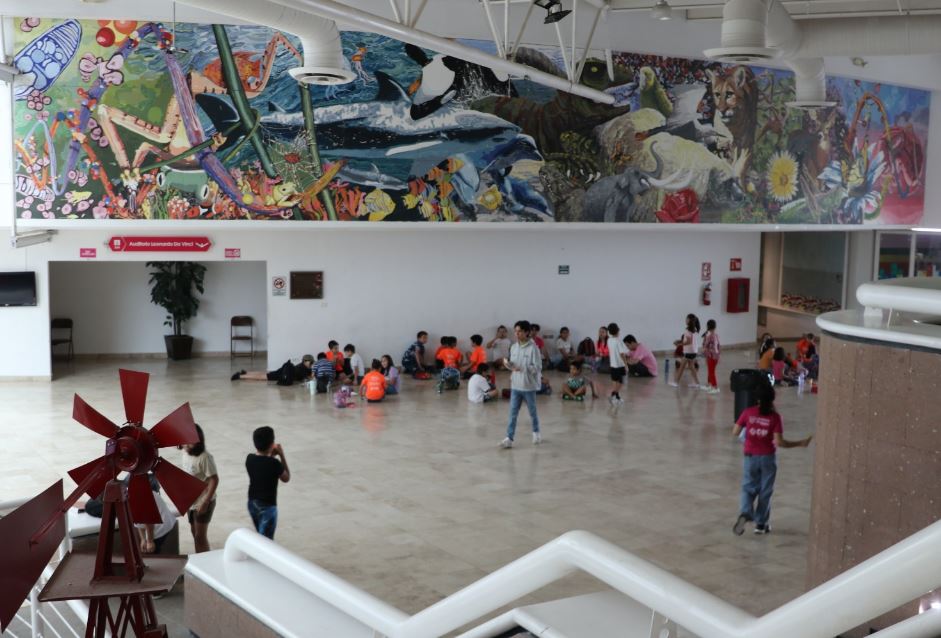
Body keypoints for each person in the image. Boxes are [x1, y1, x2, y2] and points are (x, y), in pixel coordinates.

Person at [732, 384, 812, 535]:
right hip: (768, 458)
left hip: (750, 457)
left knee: (748, 487)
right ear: (772, 399)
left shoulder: (748, 412)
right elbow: (780, 442)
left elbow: (735, 432)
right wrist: (799, 443)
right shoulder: (775, 417)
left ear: (757, 398)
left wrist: (750, 431)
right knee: (765, 490)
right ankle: (761, 524)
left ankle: (745, 512)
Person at [500, 320, 542, 449]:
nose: (517, 334)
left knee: (532, 412)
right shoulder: (514, 347)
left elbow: (538, 367)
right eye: (515, 331)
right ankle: (509, 438)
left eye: (520, 331)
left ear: (527, 332)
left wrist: (524, 368)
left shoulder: (533, 348)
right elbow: (513, 364)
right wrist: (509, 365)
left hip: (528, 386)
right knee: (512, 413)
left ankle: (536, 432)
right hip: (515, 385)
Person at [246, 426, 291, 540]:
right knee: (266, 541)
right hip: (267, 507)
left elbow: (263, 465)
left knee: (261, 534)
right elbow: (286, 477)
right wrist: (281, 455)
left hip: (252, 503)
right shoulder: (274, 464)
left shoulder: (249, 459)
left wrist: (270, 455)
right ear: (271, 444)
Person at [181, 424, 218, 553]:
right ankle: (199, 557)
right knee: (194, 533)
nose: (186, 445)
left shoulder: (204, 457)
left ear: (198, 441)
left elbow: (214, 479)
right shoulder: (185, 452)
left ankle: (205, 560)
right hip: (191, 501)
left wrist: (205, 502)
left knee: (200, 537)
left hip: (203, 501)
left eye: (190, 442)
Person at [134, 473, 177, 556]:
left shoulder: (142, 496)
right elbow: (138, 521)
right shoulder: (134, 493)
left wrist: (149, 541)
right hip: (155, 522)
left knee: (152, 553)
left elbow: (149, 520)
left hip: (161, 524)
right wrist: (143, 539)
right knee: (147, 550)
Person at [670, 314, 702, 389]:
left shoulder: (688, 330)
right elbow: (688, 340)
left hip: (689, 352)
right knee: (691, 367)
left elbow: (688, 342)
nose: (685, 320)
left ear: (689, 320)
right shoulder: (695, 329)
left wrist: (679, 344)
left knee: (682, 367)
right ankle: (697, 383)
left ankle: (676, 382)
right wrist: (680, 341)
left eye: (686, 319)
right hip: (694, 351)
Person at [230, 354, 314, 382]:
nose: (311, 364)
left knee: (265, 373)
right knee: (261, 377)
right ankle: (240, 376)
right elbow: (309, 378)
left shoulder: (302, 366)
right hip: (284, 374)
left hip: (284, 371)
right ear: (305, 361)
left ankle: (246, 373)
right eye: (310, 362)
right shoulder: (302, 368)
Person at [607, 322, 630, 405]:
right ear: (618, 330)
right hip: (620, 365)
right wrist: (626, 364)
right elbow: (622, 354)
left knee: (615, 381)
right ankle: (613, 395)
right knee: (621, 381)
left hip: (613, 364)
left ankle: (616, 396)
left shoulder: (609, 340)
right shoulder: (618, 341)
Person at [702, 319, 721, 393]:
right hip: (716, 356)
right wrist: (718, 355)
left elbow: (705, 345)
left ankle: (715, 387)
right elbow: (719, 346)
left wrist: (704, 350)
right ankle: (709, 385)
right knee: (710, 371)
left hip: (711, 356)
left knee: (711, 372)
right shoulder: (716, 335)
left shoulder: (709, 336)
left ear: (707, 326)